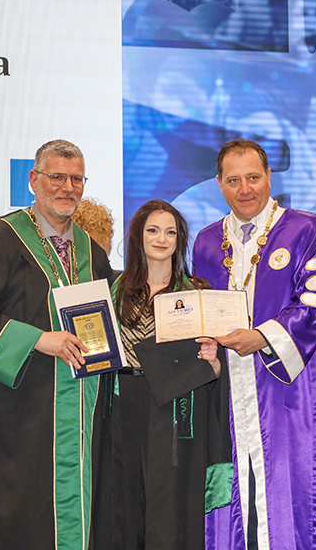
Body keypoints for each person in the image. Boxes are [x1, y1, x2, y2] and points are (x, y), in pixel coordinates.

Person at [0, 139, 113, 550]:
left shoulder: (91, 252)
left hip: (76, 417)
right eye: (57, 177)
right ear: (34, 180)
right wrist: (38, 339)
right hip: (14, 420)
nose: (67, 187)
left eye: (77, 179)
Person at [194, 139, 316, 550]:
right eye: (233, 180)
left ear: (268, 178)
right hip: (227, 394)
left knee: (296, 496)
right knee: (233, 500)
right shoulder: (206, 242)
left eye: (253, 178)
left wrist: (261, 337)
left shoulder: (305, 229)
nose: (244, 189)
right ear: (219, 184)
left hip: (289, 393)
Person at [91, 199, 229, 550]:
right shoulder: (111, 289)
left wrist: (213, 363)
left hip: (176, 411)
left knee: (169, 511)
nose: (161, 239)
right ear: (138, 236)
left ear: (180, 240)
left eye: (170, 232)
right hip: (121, 406)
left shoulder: (197, 293)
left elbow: (215, 364)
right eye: (152, 230)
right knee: (121, 504)